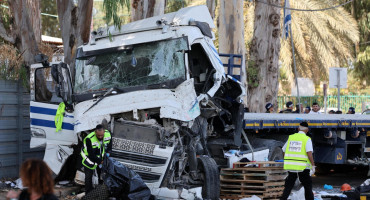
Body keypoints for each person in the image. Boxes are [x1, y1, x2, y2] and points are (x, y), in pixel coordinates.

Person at [281, 122, 315, 200]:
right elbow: (309, 153)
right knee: (308, 186)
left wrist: (287, 160)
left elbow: (283, 150)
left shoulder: (291, 137)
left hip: (291, 167)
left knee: (288, 186)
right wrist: (313, 165)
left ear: (298, 129)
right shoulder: (307, 139)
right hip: (303, 167)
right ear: (307, 130)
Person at [81, 124, 112, 194]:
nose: (100, 137)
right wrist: (101, 161)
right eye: (98, 135)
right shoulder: (89, 139)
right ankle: (88, 194)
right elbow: (91, 155)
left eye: (102, 135)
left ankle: (101, 192)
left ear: (104, 132)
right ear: (95, 132)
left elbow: (110, 147)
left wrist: (108, 154)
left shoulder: (108, 134)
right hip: (88, 159)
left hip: (100, 158)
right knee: (88, 177)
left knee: (102, 176)